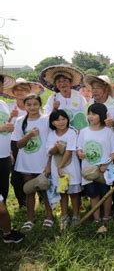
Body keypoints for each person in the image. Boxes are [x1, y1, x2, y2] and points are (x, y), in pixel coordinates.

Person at [12, 94, 53, 232]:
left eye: (35, 104)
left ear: (40, 105)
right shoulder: (19, 121)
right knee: (29, 190)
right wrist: (29, 135)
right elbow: (18, 144)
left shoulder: (46, 120)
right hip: (27, 162)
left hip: (43, 161)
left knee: (45, 189)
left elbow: (51, 140)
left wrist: (49, 163)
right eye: (29, 105)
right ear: (25, 106)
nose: (32, 107)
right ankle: (30, 219)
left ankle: (49, 216)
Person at [85, 75, 114, 214]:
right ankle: (99, 206)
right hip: (95, 148)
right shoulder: (90, 104)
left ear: (106, 89)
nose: (94, 91)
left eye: (98, 88)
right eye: (93, 88)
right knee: (96, 177)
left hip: (111, 149)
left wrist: (113, 123)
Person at [77, 103, 114, 223]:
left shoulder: (108, 132)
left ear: (101, 116)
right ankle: (96, 218)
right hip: (89, 168)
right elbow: (79, 146)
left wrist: (106, 164)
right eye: (89, 113)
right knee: (92, 193)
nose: (91, 116)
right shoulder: (84, 131)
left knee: (105, 192)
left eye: (94, 114)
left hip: (104, 169)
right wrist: (80, 152)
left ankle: (106, 216)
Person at [4, 78, 44, 208]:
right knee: (17, 176)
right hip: (13, 143)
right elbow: (6, 127)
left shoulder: (36, 109)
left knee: (38, 171)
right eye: (18, 89)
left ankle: (43, 199)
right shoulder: (8, 107)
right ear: (13, 92)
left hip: (36, 145)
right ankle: (23, 202)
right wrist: (11, 116)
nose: (20, 92)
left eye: (24, 89)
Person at [46, 110, 82, 229]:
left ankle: (76, 215)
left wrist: (60, 166)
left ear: (68, 120)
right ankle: (64, 215)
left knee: (74, 193)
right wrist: (56, 147)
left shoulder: (71, 133)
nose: (61, 122)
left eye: (63, 119)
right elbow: (50, 152)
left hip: (70, 168)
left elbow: (69, 151)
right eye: (57, 120)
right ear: (52, 122)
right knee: (63, 193)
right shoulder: (51, 134)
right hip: (58, 171)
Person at [41, 65, 88, 131]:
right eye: (59, 81)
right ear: (56, 84)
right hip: (58, 132)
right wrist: (54, 109)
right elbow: (46, 118)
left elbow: (83, 117)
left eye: (65, 80)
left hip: (77, 132)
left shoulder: (80, 98)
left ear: (71, 82)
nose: (62, 83)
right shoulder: (52, 98)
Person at [0, 74, 16, 204]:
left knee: (3, 187)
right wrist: (2, 128)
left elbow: (6, 126)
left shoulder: (3, 104)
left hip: (4, 154)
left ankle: (2, 216)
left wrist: (10, 151)